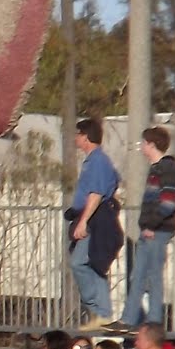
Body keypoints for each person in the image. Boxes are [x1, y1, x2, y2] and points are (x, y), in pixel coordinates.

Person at [117, 126, 175, 331]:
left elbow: (168, 203)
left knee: (154, 276)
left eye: (144, 143)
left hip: (158, 231)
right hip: (149, 231)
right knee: (137, 276)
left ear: (151, 145)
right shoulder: (155, 170)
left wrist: (152, 225)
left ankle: (154, 321)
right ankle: (128, 319)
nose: (142, 148)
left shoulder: (167, 169)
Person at [67, 117, 121, 329]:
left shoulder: (98, 161)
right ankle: (102, 316)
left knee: (80, 262)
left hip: (96, 219)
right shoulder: (94, 160)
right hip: (92, 217)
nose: (75, 138)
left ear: (86, 137)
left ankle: (97, 307)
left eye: (78, 134)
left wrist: (83, 222)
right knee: (93, 264)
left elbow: (96, 194)